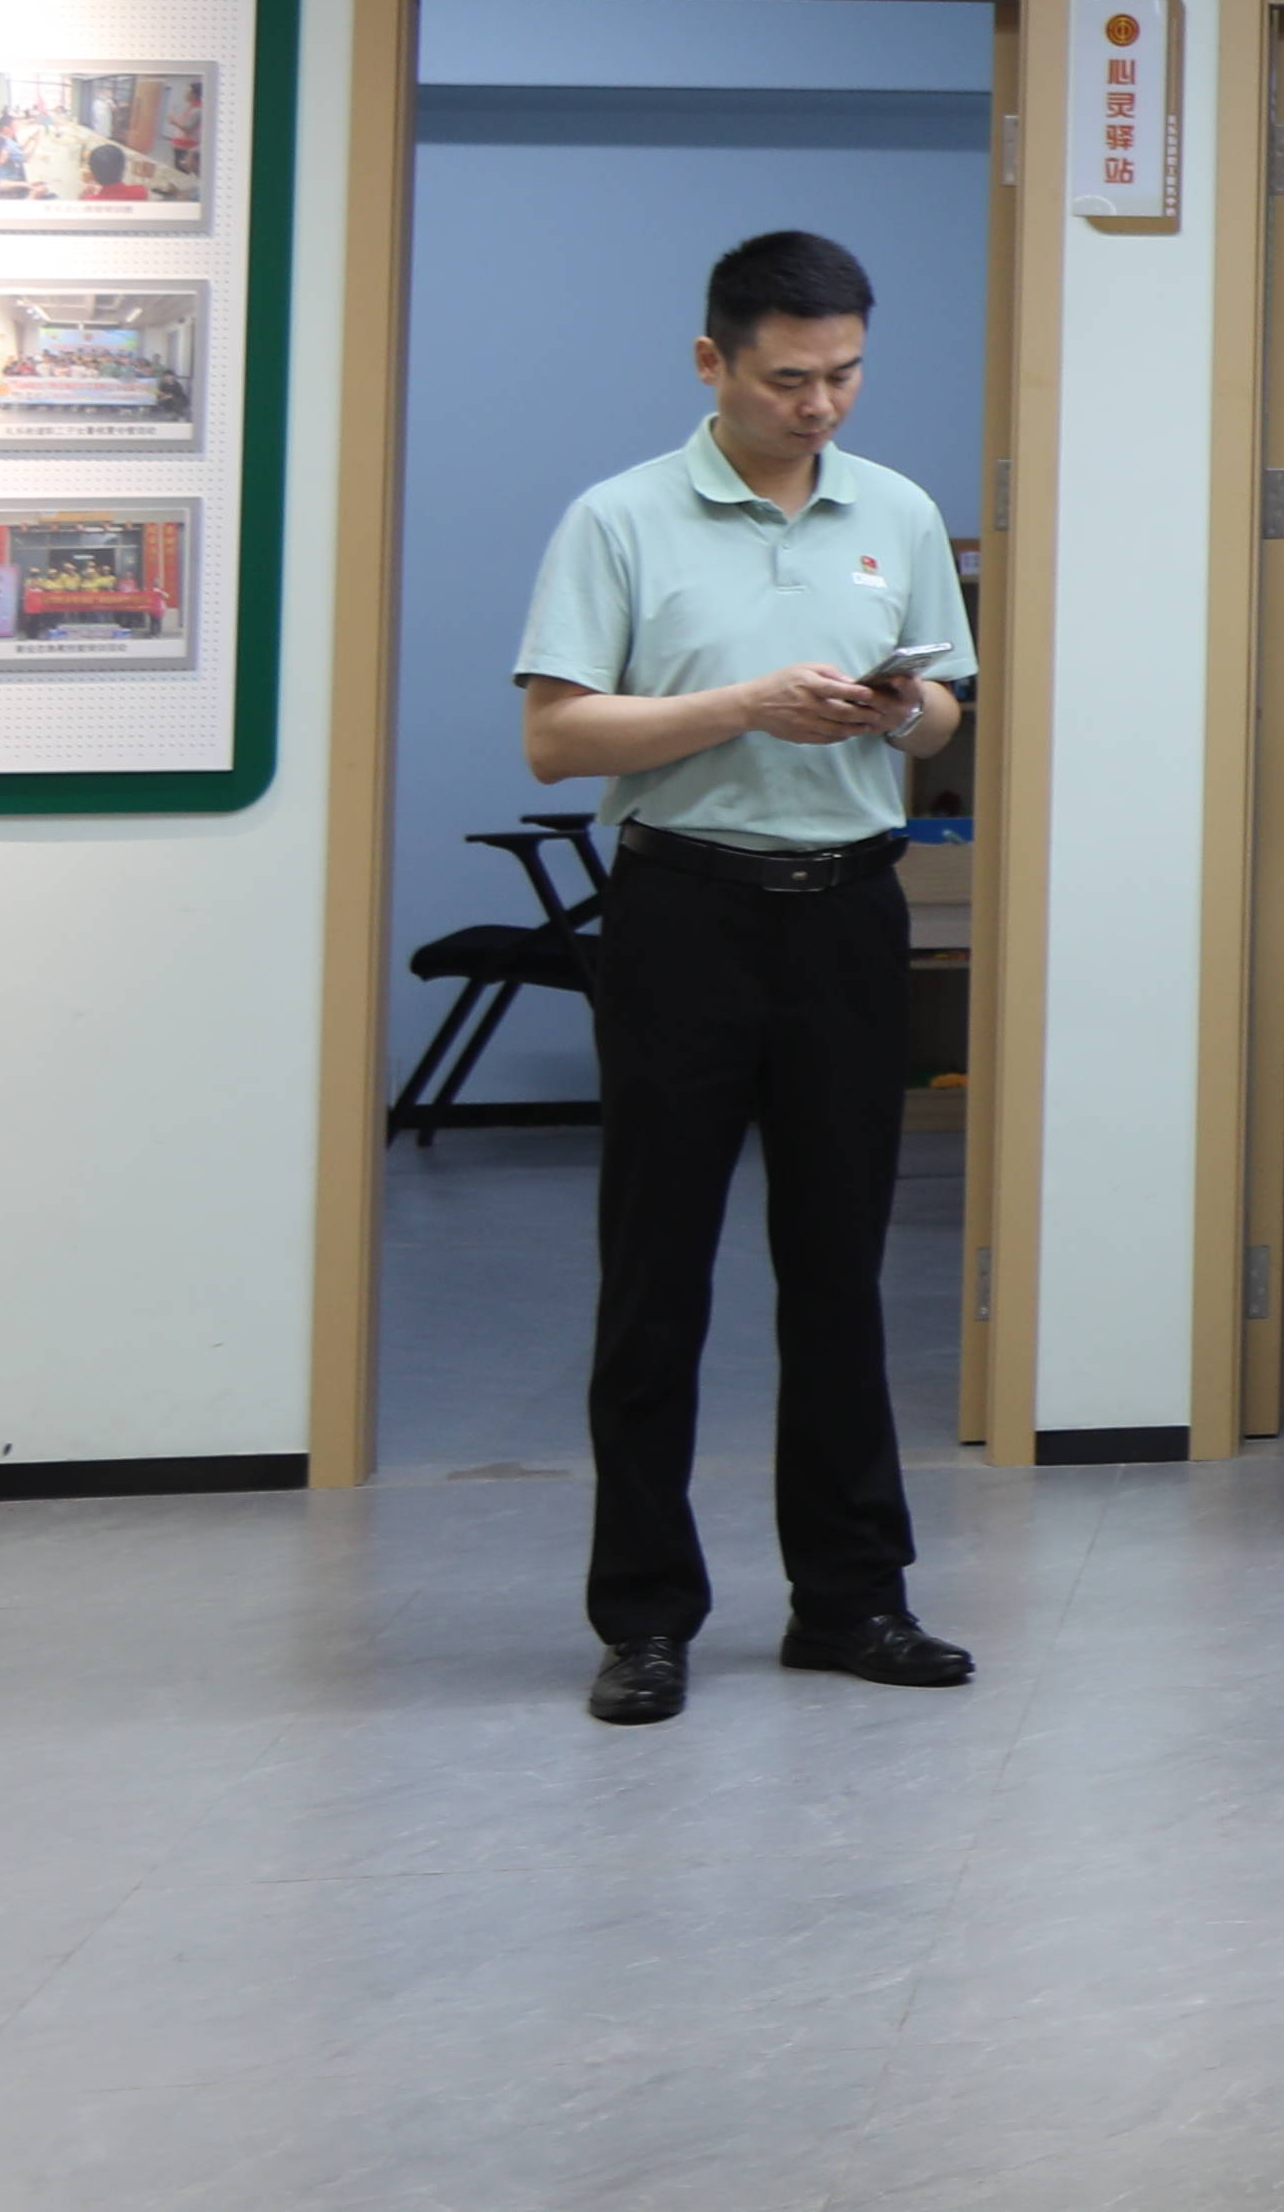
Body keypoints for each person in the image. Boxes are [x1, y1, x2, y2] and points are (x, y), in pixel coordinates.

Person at [513, 225, 979, 1727]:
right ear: (712, 362)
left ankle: (852, 1597)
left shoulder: (895, 509)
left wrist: (900, 712)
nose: (819, 403)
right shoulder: (620, 518)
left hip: (845, 916)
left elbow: (945, 712)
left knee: (840, 1271)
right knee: (657, 1276)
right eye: (788, 378)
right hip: (683, 915)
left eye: (844, 374)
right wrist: (744, 707)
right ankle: (645, 1615)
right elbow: (557, 736)